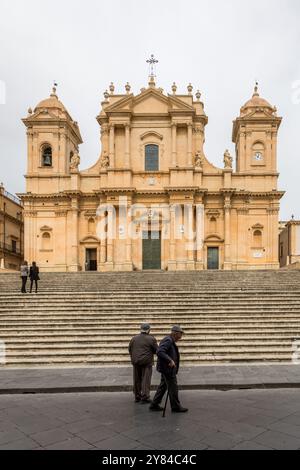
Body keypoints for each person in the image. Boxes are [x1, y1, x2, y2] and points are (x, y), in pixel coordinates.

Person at [149, 325, 188, 413]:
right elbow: (159, 351)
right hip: (168, 369)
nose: (181, 337)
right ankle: (175, 407)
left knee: (163, 386)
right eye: (180, 335)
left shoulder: (170, 340)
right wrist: (169, 360)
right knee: (173, 387)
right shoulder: (168, 340)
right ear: (176, 334)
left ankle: (154, 404)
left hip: (166, 369)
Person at [128, 323, 158, 404]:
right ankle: (145, 397)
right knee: (146, 380)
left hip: (136, 361)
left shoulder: (134, 338)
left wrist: (133, 358)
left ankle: (137, 396)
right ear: (148, 330)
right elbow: (156, 350)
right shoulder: (151, 339)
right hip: (146, 362)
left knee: (136, 379)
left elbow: (130, 349)